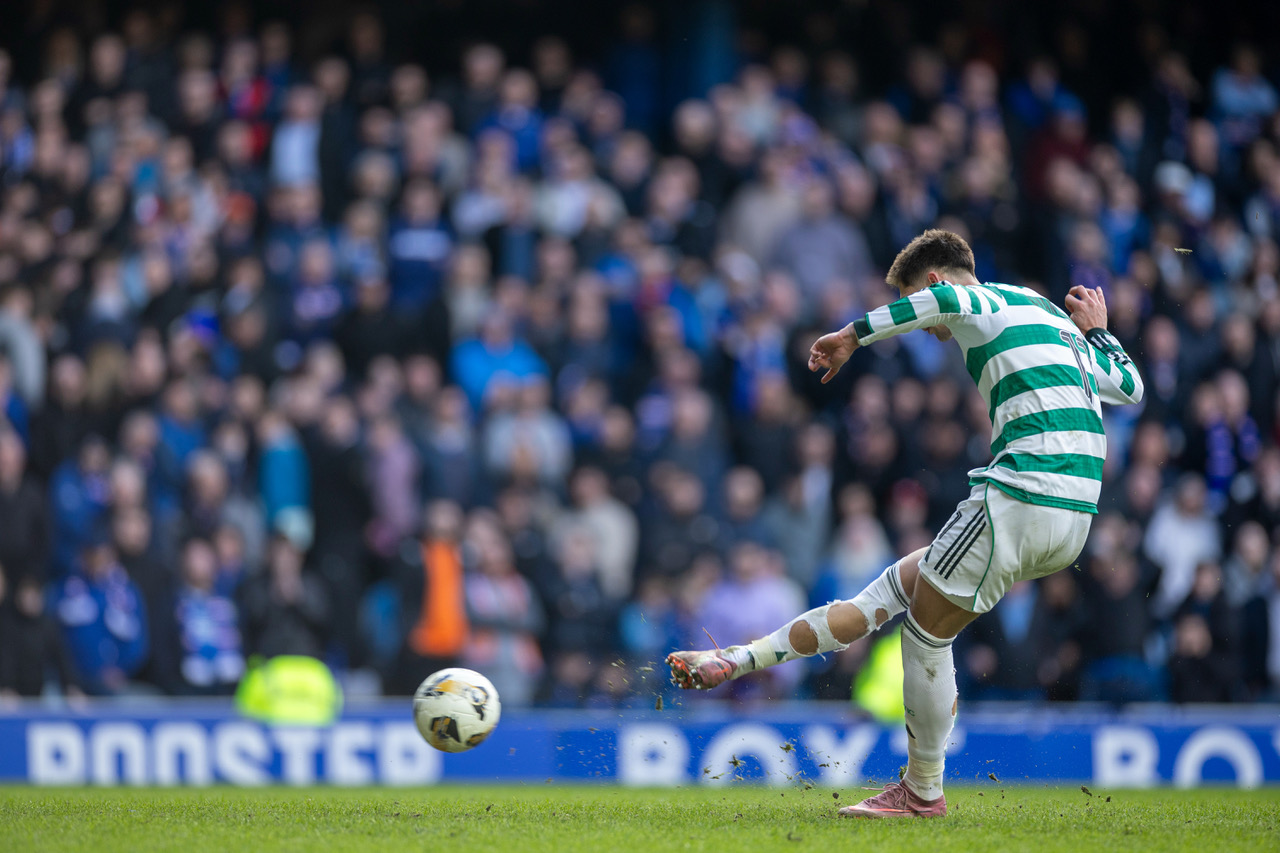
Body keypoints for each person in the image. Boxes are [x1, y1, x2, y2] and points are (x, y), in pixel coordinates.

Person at [667, 230, 1144, 818]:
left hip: (1024, 492)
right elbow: (1129, 385)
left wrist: (851, 335)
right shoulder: (1052, 319)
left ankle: (921, 792)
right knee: (892, 590)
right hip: (1075, 518)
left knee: (923, 634)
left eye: (913, 297)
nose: (923, 322)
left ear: (937, 280)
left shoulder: (985, 301)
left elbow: (943, 304)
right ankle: (737, 661)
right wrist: (1097, 330)